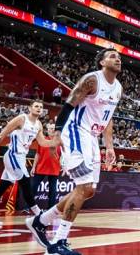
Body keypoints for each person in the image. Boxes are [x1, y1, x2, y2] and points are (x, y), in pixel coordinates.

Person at [27, 48, 123, 255]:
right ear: (101, 62)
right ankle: (57, 243)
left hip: (92, 138)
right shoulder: (92, 80)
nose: (117, 59)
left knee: (88, 191)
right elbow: (69, 104)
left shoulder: (118, 88)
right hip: (76, 131)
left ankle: (40, 221)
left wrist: (110, 146)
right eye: (112, 56)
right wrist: (58, 134)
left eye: (119, 57)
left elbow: (108, 119)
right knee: (84, 186)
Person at [0, 100, 57, 226]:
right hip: (13, 155)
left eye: (41, 107)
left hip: (21, 157)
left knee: (2, 186)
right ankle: (39, 216)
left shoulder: (39, 124)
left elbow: (42, 143)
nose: (39, 108)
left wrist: (55, 142)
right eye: (36, 106)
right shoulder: (21, 119)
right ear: (30, 108)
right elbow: (3, 134)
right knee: (26, 184)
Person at [31, 121, 62, 208]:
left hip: (54, 169)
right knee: (33, 188)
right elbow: (38, 154)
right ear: (47, 130)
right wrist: (33, 167)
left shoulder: (59, 141)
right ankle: (28, 207)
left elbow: (63, 155)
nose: (52, 130)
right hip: (41, 168)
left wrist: (63, 165)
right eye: (50, 128)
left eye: (53, 128)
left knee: (53, 191)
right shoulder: (42, 141)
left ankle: (51, 208)